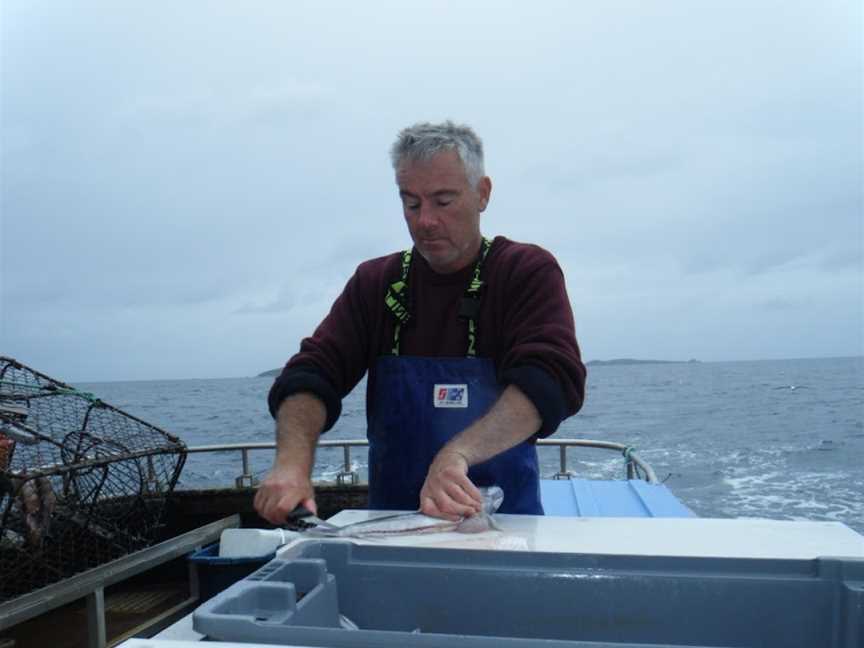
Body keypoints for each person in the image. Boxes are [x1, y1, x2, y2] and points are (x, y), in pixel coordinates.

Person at [254, 121, 586, 524]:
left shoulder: (524, 271)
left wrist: (456, 454)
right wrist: (292, 462)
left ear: (482, 194)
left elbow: (550, 380)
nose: (424, 220)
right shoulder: (376, 284)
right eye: (411, 203)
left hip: (507, 530)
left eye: (443, 201)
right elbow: (313, 372)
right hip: (393, 533)